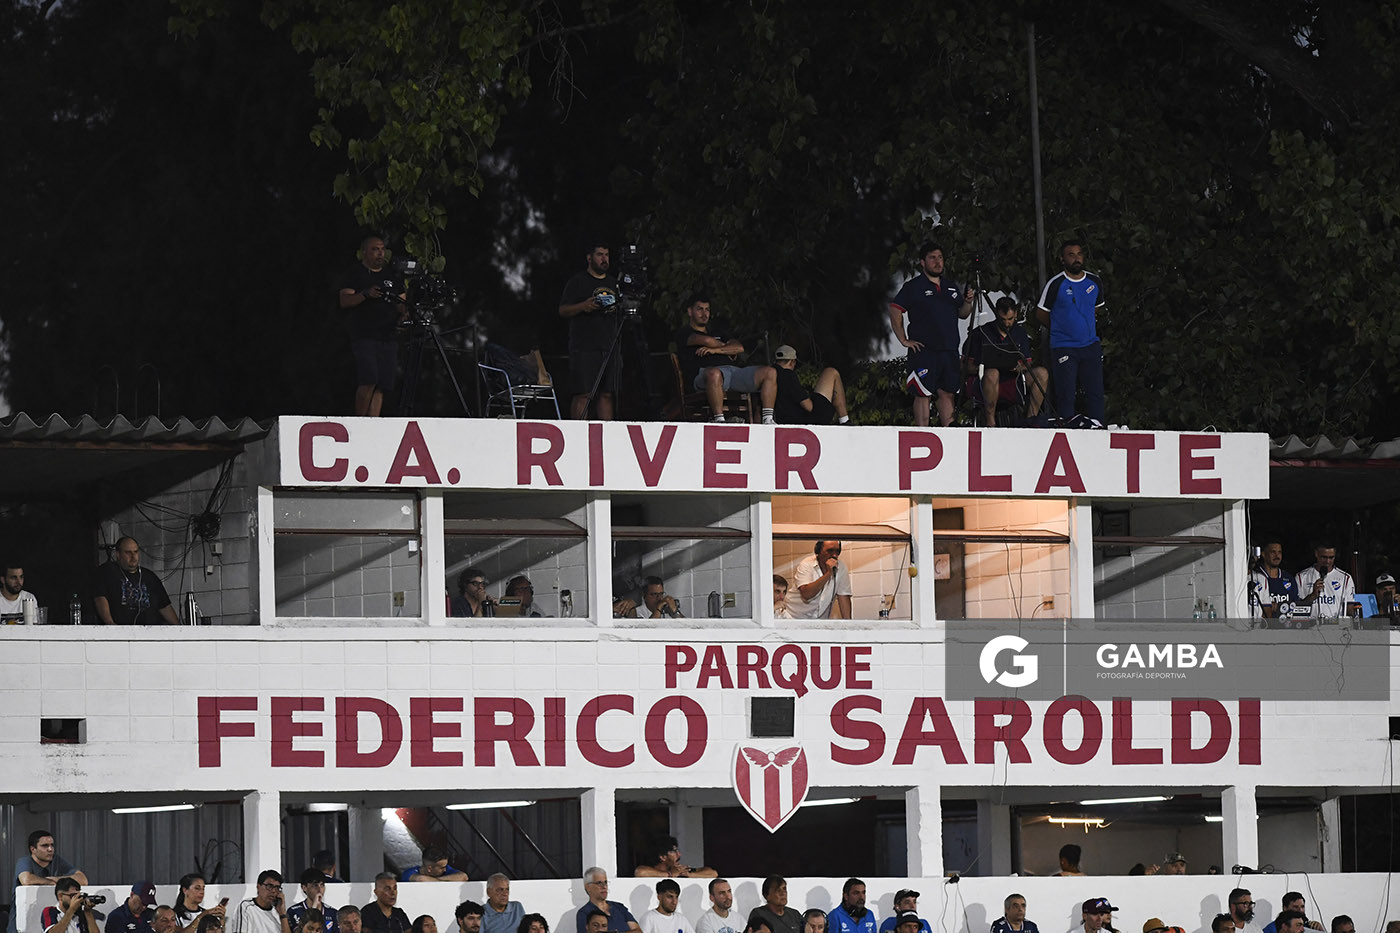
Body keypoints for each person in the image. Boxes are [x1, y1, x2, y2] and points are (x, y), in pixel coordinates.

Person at [888, 242, 975, 427]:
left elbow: (963, 313)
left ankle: (949, 435)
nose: (937, 262)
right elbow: (895, 309)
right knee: (922, 393)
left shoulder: (950, 287)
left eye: (940, 257)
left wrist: (968, 302)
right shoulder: (914, 286)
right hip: (924, 350)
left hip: (949, 349)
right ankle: (923, 435)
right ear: (922, 262)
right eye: (932, 258)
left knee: (947, 393)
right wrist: (903, 339)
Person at [674, 295, 778, 424]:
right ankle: (719, 420)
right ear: (690, 311)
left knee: (769, 372)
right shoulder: (685, 332)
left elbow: (739, 348)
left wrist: (715, 350)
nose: (704, 313)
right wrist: (726, 347)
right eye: (700, 309)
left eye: (707, 309)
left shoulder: (718, 331)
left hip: (732, 372)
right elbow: (707, 340)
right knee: (714, 373)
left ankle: (768, 419)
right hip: (704, 375)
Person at [1036, 240, 1106, 426]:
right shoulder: (1056, 283)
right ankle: (1068, 428)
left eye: (1079, 254)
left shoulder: (1094, 281)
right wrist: (1062, 327)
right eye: (1071, 255)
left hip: (1090, 345)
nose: (1076, 258)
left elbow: (1096, 308)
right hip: (1064, 347)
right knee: (1066, 393)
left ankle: (1098, 426)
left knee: (1095, 391)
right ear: (1062, 259)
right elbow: (1041, 314)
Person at [337, 235, 407, 417]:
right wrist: (365, 294)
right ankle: (361, 421)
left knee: (383, 384)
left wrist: (403, 315)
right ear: (365, 252)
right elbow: (345, 300)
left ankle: (373, 421)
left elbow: (403, 303)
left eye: (382, 249)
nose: (380, 253)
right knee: (369, 378)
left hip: (388, 336)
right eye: (375, 249)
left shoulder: (391, 276)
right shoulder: (355, 273)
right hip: (365, 335)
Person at [559, 243, 622, 420]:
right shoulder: (578, 282)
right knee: (583, 394)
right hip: (584, 347)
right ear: (589, 258)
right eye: (600, 254)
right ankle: (578, 435)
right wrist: (583, 306)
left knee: (607, 394)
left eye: (607, 255)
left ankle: (606, 436)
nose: (604, 259)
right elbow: (563, 310)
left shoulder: (613, 283)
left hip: (610, 346)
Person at [962, 297, 1047, 426]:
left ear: (1016, 315)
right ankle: (991, 423)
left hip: (1013, 379)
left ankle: (1031, 420)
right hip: (985, 381)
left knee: (1042, 373)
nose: (1007, 323)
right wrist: (983, 367)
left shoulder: (1020, 333)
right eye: (1003, 320)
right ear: (996, 314)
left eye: (1010, 319)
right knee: (993, 373)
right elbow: (966, 366)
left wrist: (1020, 367)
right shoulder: (980, 333)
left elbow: (1027, 363)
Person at [94, 536, 179, 624]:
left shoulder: (149, 576)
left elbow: (164, 606)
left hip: (148, 632)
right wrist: (110, 623)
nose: (133, 556)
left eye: (135, 552)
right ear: (118, 555)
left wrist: (178, 629)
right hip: (120, 631)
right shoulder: (107, 571)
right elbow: (100, 598)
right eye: (128, 552)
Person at [772, 345, 850, 426]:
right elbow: (808, 406)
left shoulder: (771, 376)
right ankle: (844, 420)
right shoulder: (788, 375)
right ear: (792, 362)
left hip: (783, 419)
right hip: (808, 418)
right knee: (831, 372)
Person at [789, 540, 852, 620]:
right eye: (830, 551)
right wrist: (828, 574)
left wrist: (849, 626)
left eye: (837, 551)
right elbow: (806, 594)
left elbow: (844, 597)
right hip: (793, 618)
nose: (834, 555)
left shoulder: (841, 567)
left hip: (819, 620)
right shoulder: (806, 564)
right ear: (818, 551)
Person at [1295, 543, 1356, 620]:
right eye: (1324, 557)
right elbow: (1295, 610)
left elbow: (1350, 609)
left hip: (1335, 629)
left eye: (1331, 558)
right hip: (1309, 628)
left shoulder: (1345, 578)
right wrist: (1313, 595)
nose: (1327, 561)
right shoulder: (1301, 577)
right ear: (1316, 554)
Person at [575, 868, 640, 933]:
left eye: (605, 882)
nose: (604, 887)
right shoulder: (584, 913)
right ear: (588, 887)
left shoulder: (619, 907)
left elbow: (638, 931)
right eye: (599, 883)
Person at [1251, 541, 1297, 620]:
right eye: (1273, 552)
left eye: (1279, 552)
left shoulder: (1289, 578)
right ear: (1263, 554)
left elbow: (1297, 606)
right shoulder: (1256, 577)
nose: (1277, 556)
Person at [635, 835, 717, 878]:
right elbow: (640, 872)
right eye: (674, 851)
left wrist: (690, 875)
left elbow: (713, 873)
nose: (679, 854)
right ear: (663, 857)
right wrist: (671, 874)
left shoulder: (682, 871)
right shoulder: (650, 871)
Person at [613, 577, 684, 619]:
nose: (659, 598)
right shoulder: (637, 612)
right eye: (654, 594)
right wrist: (658, 609)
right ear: (644, 596)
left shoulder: (666, 611)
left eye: (661, 594)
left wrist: (675, 611)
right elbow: (649, 630)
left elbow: (687, 627)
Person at [401, 846, 468, 882]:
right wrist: (448, 881)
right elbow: (421, 879)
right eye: (442, 868)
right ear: (429, 869)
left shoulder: (445, 870)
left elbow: (464, 877)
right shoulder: (409, 873)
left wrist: (438, 880)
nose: (445, 870)